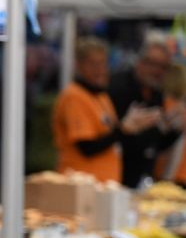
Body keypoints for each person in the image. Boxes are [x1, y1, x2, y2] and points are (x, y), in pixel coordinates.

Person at [52, 37, 157, 183]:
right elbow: (87, 147)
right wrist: (123, 129)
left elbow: (112, 138)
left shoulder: (101, 96)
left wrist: (133, 127)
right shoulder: (74, 96)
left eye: (103, 63)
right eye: (93, 64)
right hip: (81, 183)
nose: (99, 70)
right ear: (78, 65)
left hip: (104, 184)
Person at [109, 37, 186, 187]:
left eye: (163, 67)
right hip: (116, 177)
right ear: (140, 62)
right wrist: (125, 129)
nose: (157, 71)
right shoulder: (118, 88)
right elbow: (108, 138)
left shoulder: (156, 94)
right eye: (152, 64)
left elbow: (155, 143)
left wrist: (176, 130)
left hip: (143, 179)